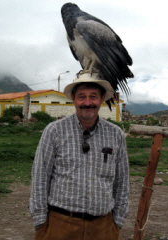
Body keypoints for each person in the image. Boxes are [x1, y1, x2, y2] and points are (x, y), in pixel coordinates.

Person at [29, 73, 129, 240]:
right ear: (73, 98)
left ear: (102, 98)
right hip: (59, 225)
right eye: (82, 97)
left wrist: (117, 221)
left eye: (93, 97)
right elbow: (40, 176)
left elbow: (122, 181)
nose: (87, 103)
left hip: (103, 228)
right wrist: (40, 221)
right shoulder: (54, 131)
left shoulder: (115, 134)